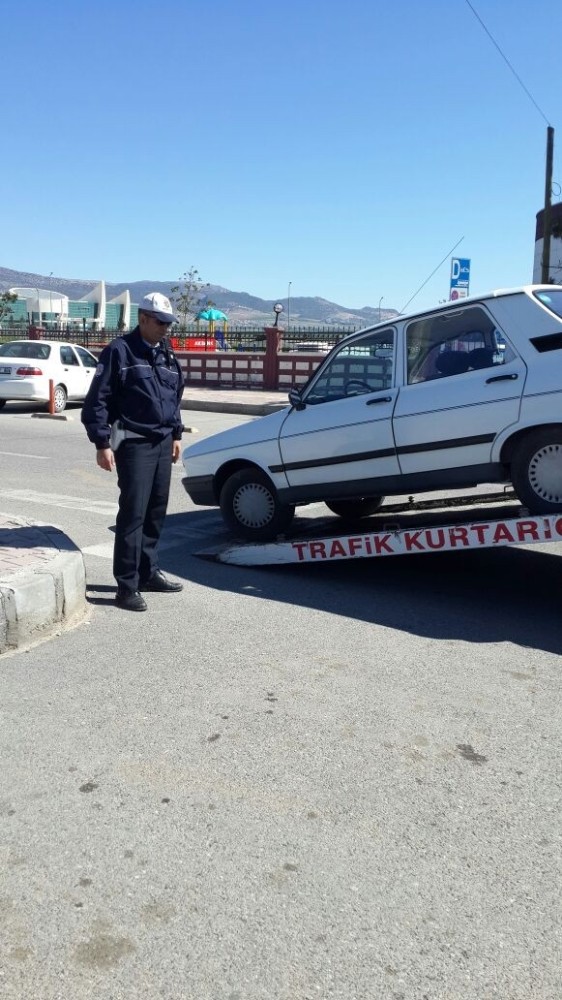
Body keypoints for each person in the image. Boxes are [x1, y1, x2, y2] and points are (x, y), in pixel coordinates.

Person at [81, 293, 185, 611]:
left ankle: (147, 573)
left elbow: (173, 398)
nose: (166, 328)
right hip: (134, 444)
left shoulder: (165, 353)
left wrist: (177, 435)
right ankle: (126, 586)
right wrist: (101, 443)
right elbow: (97, 401)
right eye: (160, 322)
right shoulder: (120, 351)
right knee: (133, 516)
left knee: (155, 511)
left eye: (168, 323)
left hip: (163, 442)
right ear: (142, 318)